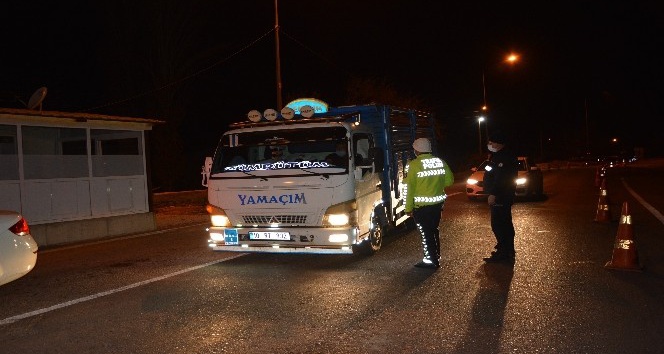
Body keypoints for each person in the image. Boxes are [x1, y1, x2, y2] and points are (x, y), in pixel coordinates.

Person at [404, 137, 454, 269]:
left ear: (417, 150)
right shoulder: (440, 161)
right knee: (433, 230)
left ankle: (431, 260)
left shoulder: (414, 165)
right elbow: (449, 181)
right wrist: (435, 183)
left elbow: (410, 189)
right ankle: (436, 255)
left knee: (425, 233)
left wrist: (408, 208)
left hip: (421, 207)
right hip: (437, 204)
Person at [482, 130, 519, 263]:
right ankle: (506, 249)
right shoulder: (496, 156)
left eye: (491, 142)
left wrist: (494, 194)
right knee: (504, 223)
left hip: (501, 196)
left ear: (498, 143)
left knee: (499, 224)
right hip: (503, 195)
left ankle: (504, 253)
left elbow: (502, 179)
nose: (489, 144)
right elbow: (490, 172)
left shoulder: (503, 158)